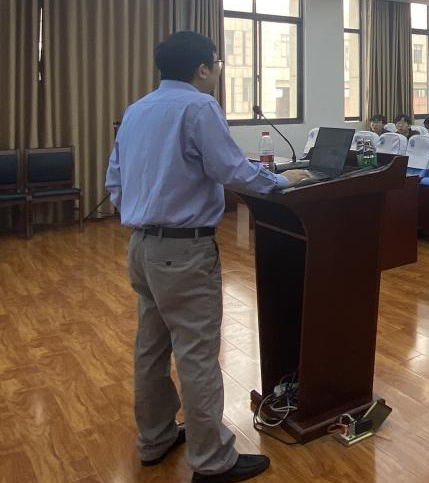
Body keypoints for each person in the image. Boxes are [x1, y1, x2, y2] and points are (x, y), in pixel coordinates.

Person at [105, 32, 308, 482]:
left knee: (151, 348)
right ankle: (213, 461)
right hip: (184, 250)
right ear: (202, 68)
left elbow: (114, 180)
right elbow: (230, 169)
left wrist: (145, 212)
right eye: (217, 64)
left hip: (142, 247)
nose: (217, 72)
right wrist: (283, 181)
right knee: (196, 354)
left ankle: (155, 438)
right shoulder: (199, 107)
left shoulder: (136, 110)